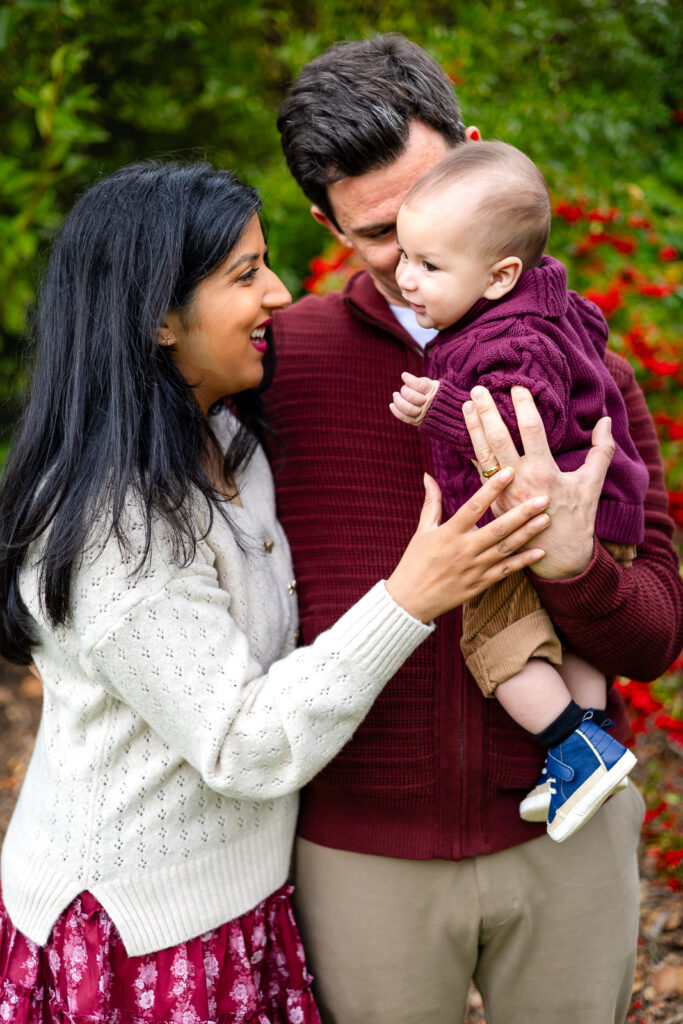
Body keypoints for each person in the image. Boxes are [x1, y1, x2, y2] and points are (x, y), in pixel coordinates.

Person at [0, 160, 553, 1024]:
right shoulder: (116, 525)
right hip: (140, 931)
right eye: (246, 274)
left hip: (241, 903)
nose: (282, 295)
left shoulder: (229, 443)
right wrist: (408, 597)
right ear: (156, 317)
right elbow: (239, 743)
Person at [266, 33, 683, 1023]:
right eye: (380, 235)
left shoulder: (580, 360)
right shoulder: (282, 369)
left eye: (431, 208)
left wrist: (578, 569)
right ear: (324, 224)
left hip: (563, 844)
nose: (413, 259)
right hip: (361, 855)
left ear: (474, 151)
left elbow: (655, 635)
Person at [389, 140, 647, 842]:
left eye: (428, 265)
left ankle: (572, 745)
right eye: (405, 255)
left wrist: (438, 406)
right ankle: (593, 748)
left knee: (499, 641)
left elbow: (526, 418)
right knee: (574, 639)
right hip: (604, 510)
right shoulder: (549, 303)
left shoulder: (504, 338)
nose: (404, 277)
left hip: (537, 514)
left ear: (501, 275)